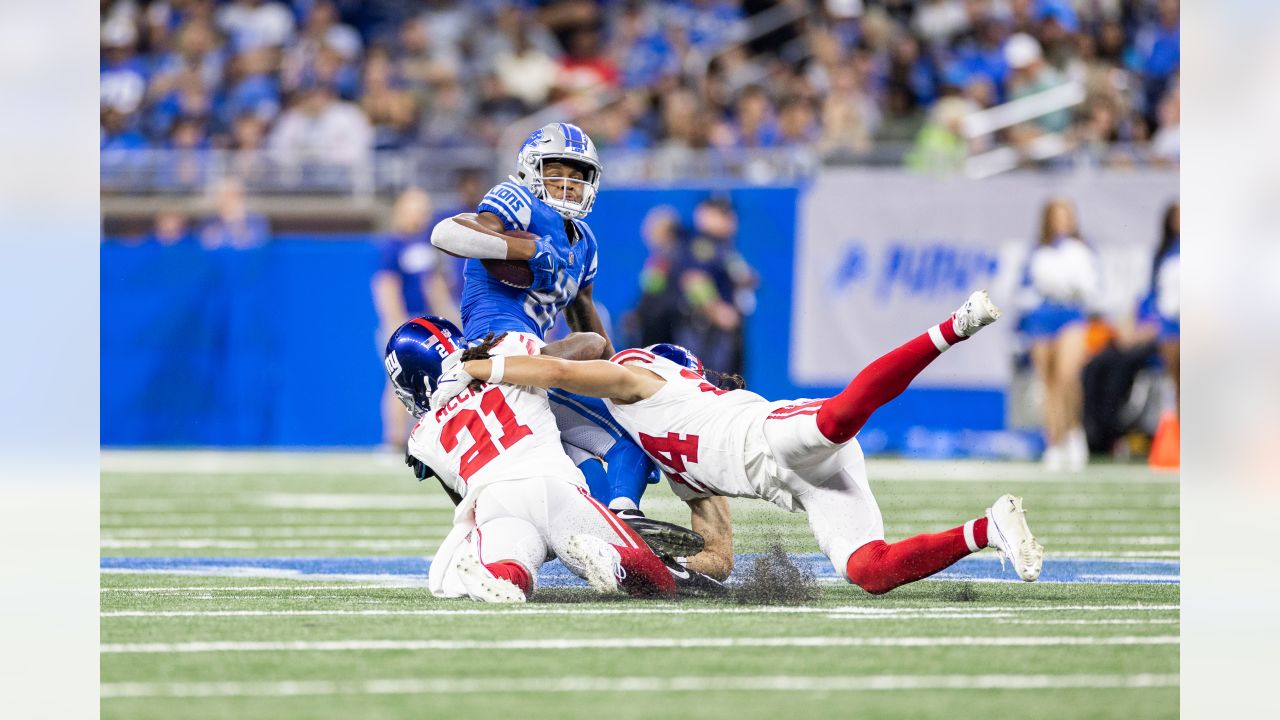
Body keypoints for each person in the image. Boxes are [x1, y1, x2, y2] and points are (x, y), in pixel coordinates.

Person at [433, 291, 1045, 591]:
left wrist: (483, 370)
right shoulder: (672, 457)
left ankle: (953, 327)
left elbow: (571, 369)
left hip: (772, 437)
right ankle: (988, 528)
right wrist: (675, 566)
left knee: (838, 418)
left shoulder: (644, 382)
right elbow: (720, 554)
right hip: (799, 484)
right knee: (869, 570)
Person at [426, 122, 687, 543]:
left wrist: (621, 377)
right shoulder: (519, 201)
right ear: (531, 169)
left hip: (537, 357)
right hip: (502, 347)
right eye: (557, 171)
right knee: (627, 433)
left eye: (578, 174)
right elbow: (447, 233)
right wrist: (526, 249)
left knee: (581, 447)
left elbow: (582, 311)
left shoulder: (584, 241)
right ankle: (623, 514)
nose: (568, 183)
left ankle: (610, 527)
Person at [384, 315, 718, 602]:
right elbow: (587, 344)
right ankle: (612, 554)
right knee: (648, 575)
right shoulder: (506, 354)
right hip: (554, 488)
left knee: (513, 564)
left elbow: (459, 498)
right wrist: (507, 364)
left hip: (495, 505)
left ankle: (505, 574)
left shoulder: (421, 437)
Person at [1015, 199, 1099, 471]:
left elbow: (1092, 287)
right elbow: (1023, 287)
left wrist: (1074, 285)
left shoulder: (1081, 251)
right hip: (1042, 317)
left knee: (1068, 376)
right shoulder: (1037, 252)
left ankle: (1074, 432)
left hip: (1071, 315)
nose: (1062, 221)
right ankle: (1054, 441)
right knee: (1048, 383)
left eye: (1067, 216)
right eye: (1057, 216)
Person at [373, 187, 460, 447]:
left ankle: (427, 441)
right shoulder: (391, 245)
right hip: (405, 323)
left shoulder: (427, 245)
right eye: (415, 209)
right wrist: (396, 324)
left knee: (437, 384)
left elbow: (435, 286)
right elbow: (386, 286)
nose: (421, 215)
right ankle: (394, 440)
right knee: (399, 385)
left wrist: (450, 319)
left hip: (428, 325)